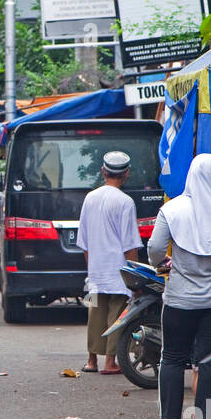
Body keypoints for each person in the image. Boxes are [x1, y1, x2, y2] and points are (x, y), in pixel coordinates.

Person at [148, 153, 211, 419]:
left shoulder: (172, 210)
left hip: (180, 299)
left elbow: (155, 248)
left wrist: (160, 264)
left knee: (172, 357)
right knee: (210, 359)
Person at [78, 151, 142, 374]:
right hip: (119, 270)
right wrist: (135, 277)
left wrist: (91, 268)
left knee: (95, 313)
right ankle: (110, 363)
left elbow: (84, 241)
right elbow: (130, 245)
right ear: (126, 174)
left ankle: (92, 361)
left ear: (103, 171)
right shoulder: (125, 202)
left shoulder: (90, 198)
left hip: (96, 268)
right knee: (117, 316)